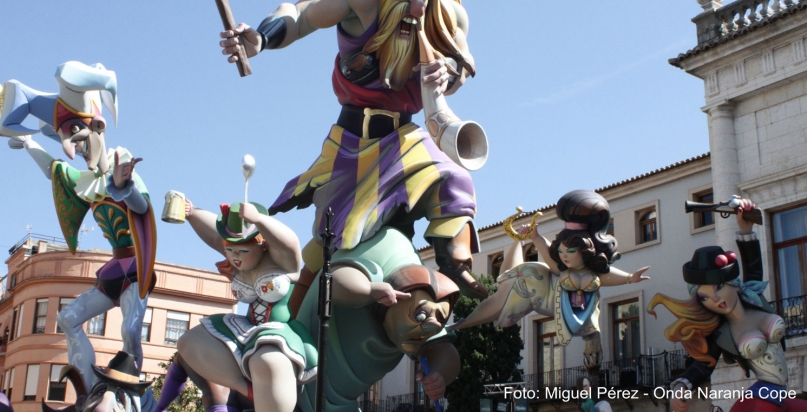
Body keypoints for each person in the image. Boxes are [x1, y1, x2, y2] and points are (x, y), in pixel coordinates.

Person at [217, 0, 492, 301]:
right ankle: (299, 304)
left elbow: (465, 60)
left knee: (454, 179)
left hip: (406, 137)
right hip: (351, 140)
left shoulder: (445, 14)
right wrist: (262, 38)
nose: (415, 3)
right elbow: (301, 13)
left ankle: (456, 263)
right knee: (335, 233)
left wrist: (450, 72)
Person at [0, 62, 156, 389]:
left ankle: (132, 390)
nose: (73, 149)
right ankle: (88, 388)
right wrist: (29, 144)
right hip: (114, 270)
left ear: (98, 126)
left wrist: (125, 185)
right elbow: (54, 171)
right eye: (67, 140)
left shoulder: (122, 170)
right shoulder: (87, 182)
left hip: (136, 269)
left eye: (76, 138)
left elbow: (142, 209)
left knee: (129, 330)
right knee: (67, 319)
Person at [449, 191, 649, 365]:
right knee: (509, 289)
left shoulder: (591, 273)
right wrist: (534, 237)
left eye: (570, 251)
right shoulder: (561, 270)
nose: (564, 255)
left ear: (585, 251)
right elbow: (547, 253)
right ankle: (460, 325)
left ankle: (459, 324)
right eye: (561, 251)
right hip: (542, 294)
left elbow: (607, 276)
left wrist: (631, 277)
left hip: (575, 316)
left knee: (510, 288)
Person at [648, 199, 806, 412]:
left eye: (719, 287)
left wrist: (745, 228)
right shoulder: (721, 333)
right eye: (704, 297)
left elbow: (753, 266)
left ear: (732, 283)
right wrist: (681, 385)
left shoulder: (753, 296)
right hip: (762, 397)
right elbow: (703, 365)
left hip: (780, 395)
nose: (715, 299)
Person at [165, 198, 320, 412]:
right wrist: (191, 212)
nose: (235, 257)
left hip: (278, 333)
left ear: (262, 242)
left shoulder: (283, 262)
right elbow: (213, 235)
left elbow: (290, 242)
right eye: (230, 250)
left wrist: (258, 219)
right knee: (189, 342)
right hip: (245, 329)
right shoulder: (241, 266)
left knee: (268, 360)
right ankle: (247, 389)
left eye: (243, 251)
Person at [294, 225, 461, 412]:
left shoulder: (422, 314)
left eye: (441, 318)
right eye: (420, 315)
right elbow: (334, 281)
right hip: (299, 375)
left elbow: (444, 350)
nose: (431, 326)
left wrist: (438, 374)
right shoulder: (379, 262)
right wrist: (368, 291)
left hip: (339, 403)